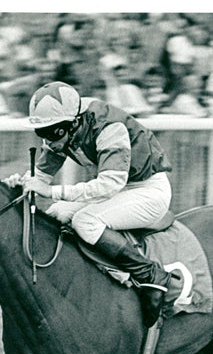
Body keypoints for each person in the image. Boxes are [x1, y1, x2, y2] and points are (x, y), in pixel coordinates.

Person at [15, 81, 176, 327]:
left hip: (148, 191)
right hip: (121, 189)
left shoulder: (108, 126)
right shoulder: (63, 128)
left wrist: (52, 190)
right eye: (42, 133)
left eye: (54, 132)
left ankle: (150, 274)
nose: (49, 141)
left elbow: (108, 185)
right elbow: (40, 177)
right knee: (56, 212)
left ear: (74, 122)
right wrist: (19, 183)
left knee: (85, 220)